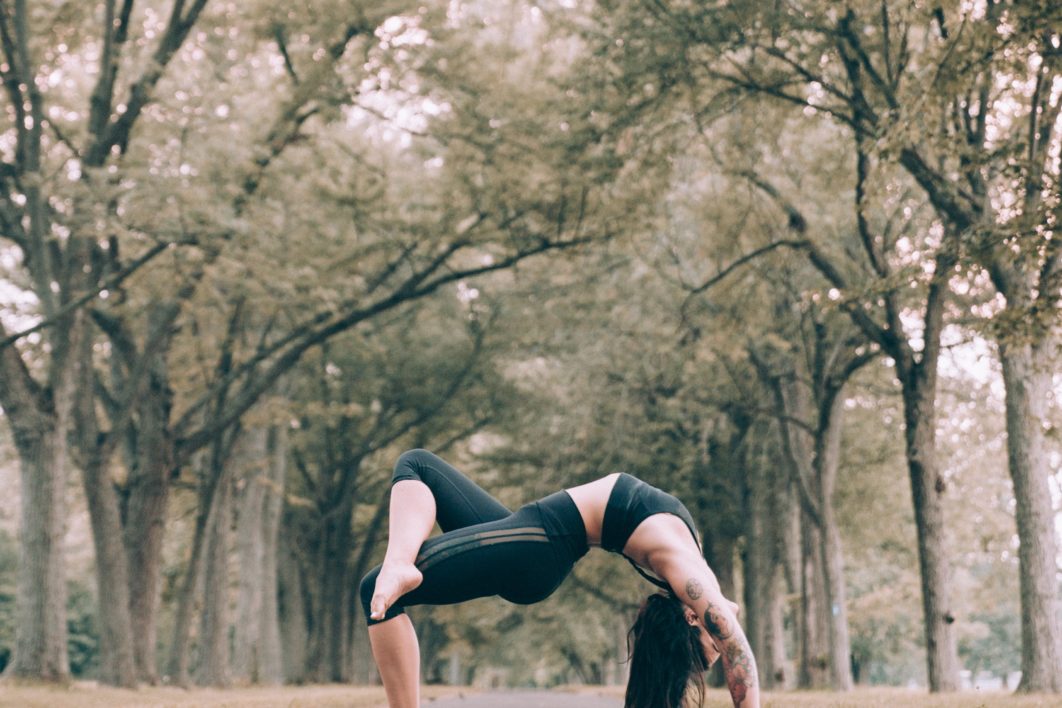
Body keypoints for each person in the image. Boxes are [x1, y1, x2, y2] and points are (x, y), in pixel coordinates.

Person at [360, 449, 760, 708]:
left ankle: (399, 565)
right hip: (532, 535)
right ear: (693, 617)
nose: (724, 635)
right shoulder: (694, 573)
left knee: (377, 591)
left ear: (694, 617)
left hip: (540, 547)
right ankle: (400, 561)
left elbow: (739, 653)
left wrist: (723, 646)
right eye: (713, 648)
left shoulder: (689, 576)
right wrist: (721, 638)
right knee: (418, 466)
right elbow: (735, 640)